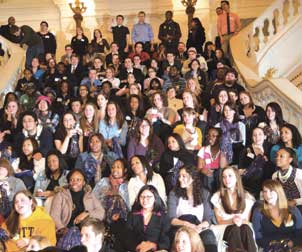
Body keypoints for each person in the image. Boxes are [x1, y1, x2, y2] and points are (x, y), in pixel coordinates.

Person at [50, 169, 105, 249]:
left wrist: (86, 213)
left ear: (84, 182)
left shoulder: (90, 196)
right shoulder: (61, 195)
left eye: (78, 180)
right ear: (68, 182)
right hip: (66, 231)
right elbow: (54, 215)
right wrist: (62, 228)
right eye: (72, 180)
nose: (74, 182)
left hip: (85, 232)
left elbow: (101, 213)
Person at [168, 165, 218, 252]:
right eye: (179, 176)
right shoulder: (174, 193)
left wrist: (198, 227)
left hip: (198, 226)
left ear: (193, 178)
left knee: (209, 236)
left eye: (184, 176)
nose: (180, 179)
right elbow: (172, 219)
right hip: (180, 227)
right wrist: (188, 225)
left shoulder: (205, 193)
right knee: (175, 235)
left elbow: (208, 218)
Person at [211, 166, 257, 252]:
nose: (227, 179)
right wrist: (232, 221)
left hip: (242, 226)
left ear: (237, 177)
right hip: (224, 227)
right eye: (224, 177)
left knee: (246, 228)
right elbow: (219, 221)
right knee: (234, 229)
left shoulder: (247, 197)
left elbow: (246, 220)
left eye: (230, 176)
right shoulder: (217, 197)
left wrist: (239, 221)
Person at [113, 185, 170, 252]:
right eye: (142, 197)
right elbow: (127, 236)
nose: (145, 200)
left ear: (155, 198)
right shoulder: (133, 215)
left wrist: (153, 245)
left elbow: (166, 238)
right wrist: (138, 247)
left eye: (148, 197)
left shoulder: (163, 216)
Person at [252, 179, 302, 252]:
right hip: (270, 248)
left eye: (271, 191)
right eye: (265, 191)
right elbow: (258, 237)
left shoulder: (293, 210)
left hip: (292, 248)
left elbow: (300, 233)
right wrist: (272, 244)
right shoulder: (258, 212)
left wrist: (292, 243)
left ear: (279, 192)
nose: (268, 195)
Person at [239, 127, 272, 198]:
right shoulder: (246, 150)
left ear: (265, 136)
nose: (257, 137)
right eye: (254, 135)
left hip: (267, 183)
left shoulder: (270, 148)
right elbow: (240, 168)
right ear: (252, 137)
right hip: (250, 183)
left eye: (260, 134)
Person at [93, 159, 129, 223]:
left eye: (118, 167)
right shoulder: (104, 181)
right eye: (113, 167)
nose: (115, 169)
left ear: (125, 170)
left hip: (121, 218)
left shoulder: (127, 184)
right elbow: (94, 197)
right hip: (102, 214)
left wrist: (115, 191)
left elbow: (128, 204)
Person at [198, 127, 227, 193]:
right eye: (209, 135)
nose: (210, 138)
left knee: (219, 173)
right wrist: (203, 170)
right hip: (206, 176)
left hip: (219, 176)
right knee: (208, 177)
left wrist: (222, 151)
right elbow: (199, 168)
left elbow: (224, 167)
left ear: (219, 138)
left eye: (213, 136)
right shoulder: (203, 150)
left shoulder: (223, 151)